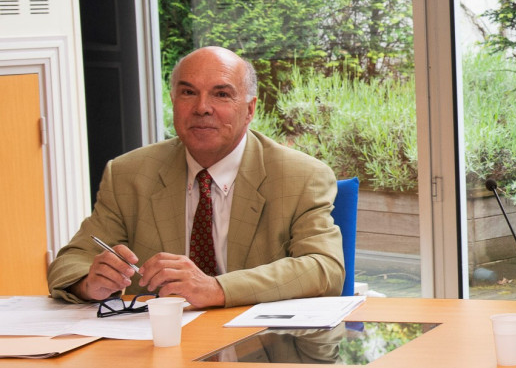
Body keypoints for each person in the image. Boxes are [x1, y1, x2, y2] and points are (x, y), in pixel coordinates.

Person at [47, 46, 344, 308]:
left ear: (250, 109)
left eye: (221, 94)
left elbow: (324, 268)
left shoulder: (300, 176)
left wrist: (216, 288)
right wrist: (89, 283)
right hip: (158, 348)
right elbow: (68, 263)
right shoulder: (128, 174)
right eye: (189, 93)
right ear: (174, 101)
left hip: (260, 352)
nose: (202, 108)